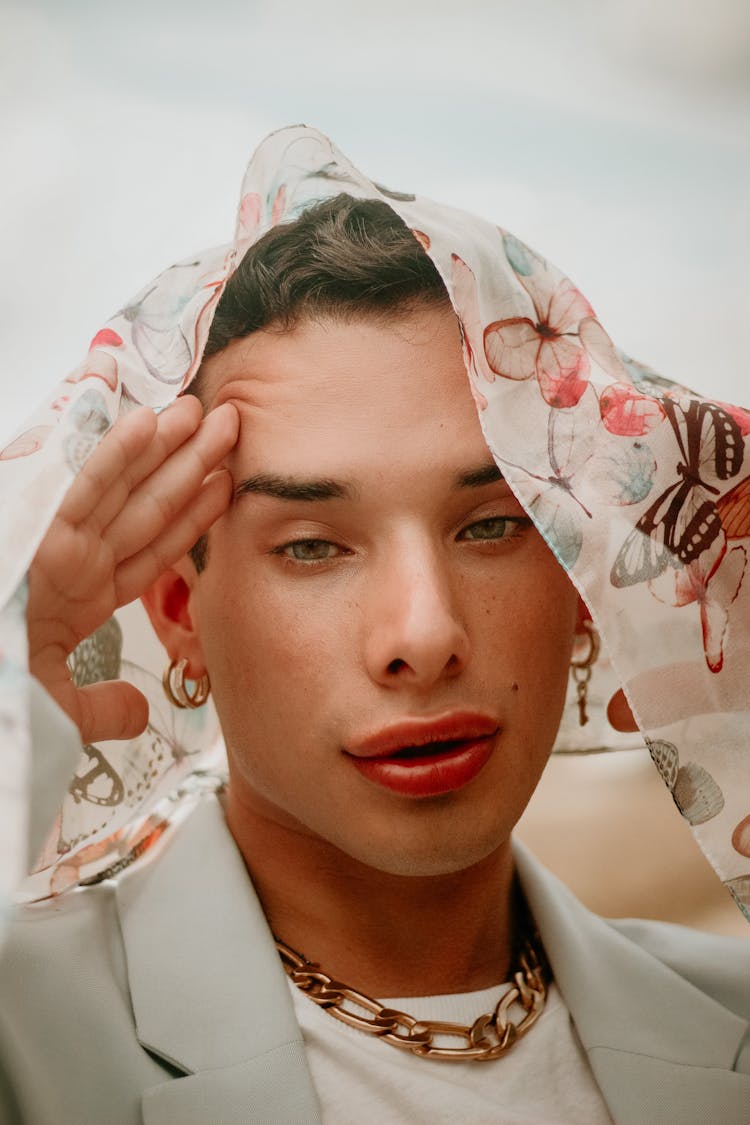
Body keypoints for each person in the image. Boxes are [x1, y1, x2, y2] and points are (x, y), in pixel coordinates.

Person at [0, 125, 748, 1124]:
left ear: (582, 584)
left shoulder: (726, 1021)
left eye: (490, 525)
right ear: (180, 612)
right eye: (312, 545)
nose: (425, 632)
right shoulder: (27, 1035)